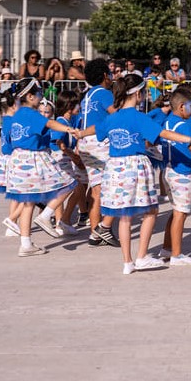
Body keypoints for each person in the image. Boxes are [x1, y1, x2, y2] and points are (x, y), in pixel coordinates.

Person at [76, 74, 191, 274]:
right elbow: (163, 133)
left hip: (115, 167)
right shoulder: (139, 117)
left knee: (124, 216)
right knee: (150, 211)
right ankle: (142, 256)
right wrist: (190, 140)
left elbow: (97, 128)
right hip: (135, 166)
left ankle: (127, 263)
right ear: (138, 94)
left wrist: (81, 133)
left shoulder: (113, 117)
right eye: (144, 92)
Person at [4, 78, 78, 257]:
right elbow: (49, 124)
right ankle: (46, 214)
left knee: (28, 202)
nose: (40, 97)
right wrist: (68, 130)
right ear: (29, 96)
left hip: (18, 159)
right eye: (38, 94)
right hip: (33, 158)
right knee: (69, 183)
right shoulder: (30, 113)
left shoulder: (18, 113)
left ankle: (26, 243)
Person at [76, 59, 120, 247]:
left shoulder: (88, 95)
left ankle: (95, 233)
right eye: (109, 74)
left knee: (96, 188)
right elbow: (116, 114)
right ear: (104, 75)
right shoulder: (104, 93)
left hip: (85, 142)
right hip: (99, 142)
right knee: (113, 184)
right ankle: (104, 228)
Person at [159, 87, 191, 266]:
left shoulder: (168, 121)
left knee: (175, 210)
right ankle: (177, 255)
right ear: (182, 106)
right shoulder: (184, 126)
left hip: (168, 170)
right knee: (181, 213)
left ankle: (167, 248)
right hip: (181, 172)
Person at [51, 90, 87, 235]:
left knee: (69, 189)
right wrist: (74, 157)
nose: (79, 106)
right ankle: (61, 221)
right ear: (69, 106)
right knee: (74, 188)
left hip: (65, 158)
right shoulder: (60, 122)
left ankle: (62, 221)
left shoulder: (67, 121)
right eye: (77, 104)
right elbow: (60, 144)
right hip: (60, 159)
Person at [0, 89, 21, 237]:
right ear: (13, 105)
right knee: (17, 194)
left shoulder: (6, 120)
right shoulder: (12, 122)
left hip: (6, 157)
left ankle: (13, 223)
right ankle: (12, 222)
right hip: (11, 158)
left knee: (16, 194)